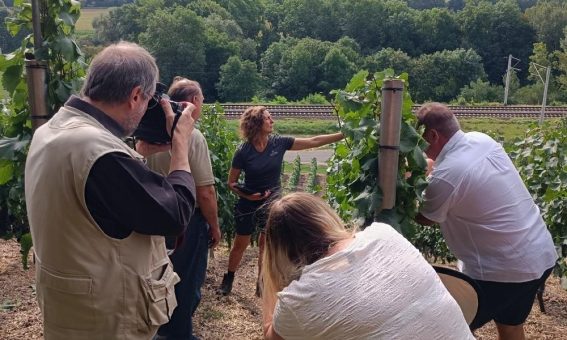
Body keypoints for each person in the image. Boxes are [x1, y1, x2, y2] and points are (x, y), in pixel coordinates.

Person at [24, 42, 198, 339]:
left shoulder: (52, 130)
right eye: (147, 101)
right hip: (109, 321)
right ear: (134, 95)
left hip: (73, 312)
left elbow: (100, 202)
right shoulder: (97, 151)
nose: (146, 111)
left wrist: (137, 154)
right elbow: (175, 214)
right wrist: (181, 146)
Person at [415, 102, 558, 340]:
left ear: (433, 135)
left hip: (502, 271)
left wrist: (410, 183)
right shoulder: (481, 140)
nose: (422, 150)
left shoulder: (448, 174)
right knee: (510, 326)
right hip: (538, 256)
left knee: (447, 327)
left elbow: (424, 218)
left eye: (422, 143)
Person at [261, 192, 474, 339]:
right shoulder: (384, 234)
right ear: (325, 218)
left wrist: (269, 272)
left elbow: (270, 334)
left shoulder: (298, 301)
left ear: (279, 252)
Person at [217, 106, 344, 296]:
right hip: (248, 202)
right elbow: (231, 182)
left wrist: (343, 134)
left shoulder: (279, 143)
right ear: (257, 123)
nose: (272, 121)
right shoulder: (243, 151)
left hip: (272, 203)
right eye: (268, 118)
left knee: (265, 244)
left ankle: (261, 283)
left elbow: (314, 141)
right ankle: (229, 278)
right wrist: (247, 196)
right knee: (240, 244)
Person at [146, 77, 221, 340]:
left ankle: (160, 331)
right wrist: (214, 225)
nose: (203, 104)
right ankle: (179, 334)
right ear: (191, 103)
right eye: (201, 99)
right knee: (186, 282)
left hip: (154, 218)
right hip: (187, 222)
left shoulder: (150, 135)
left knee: (160, 279)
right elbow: (205, 192)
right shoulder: (193, 137)